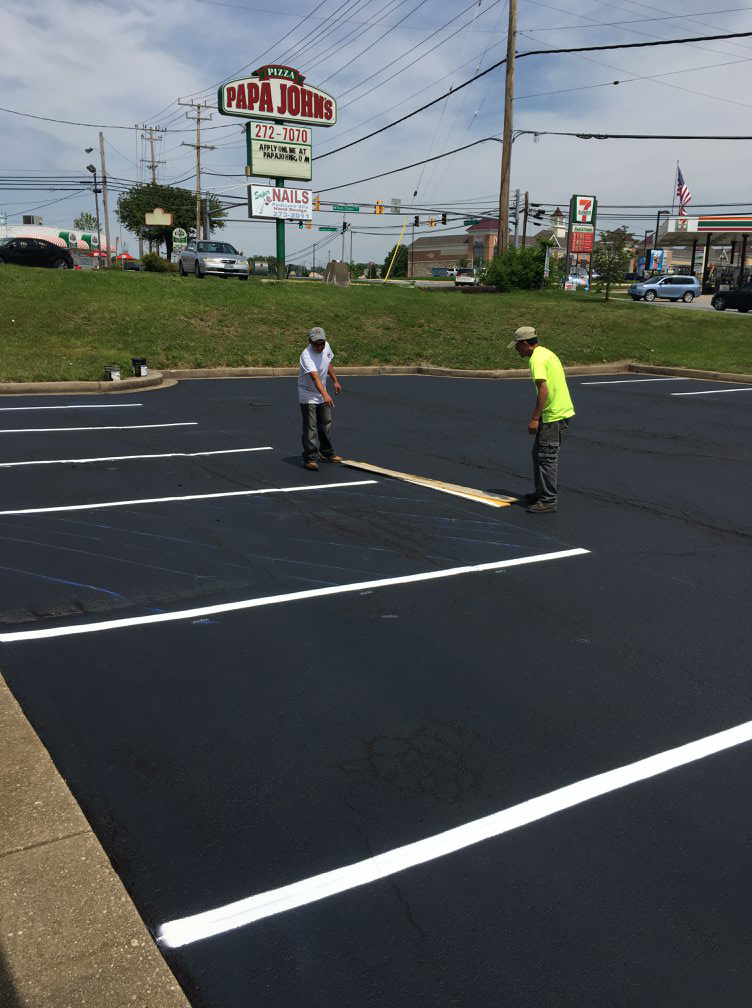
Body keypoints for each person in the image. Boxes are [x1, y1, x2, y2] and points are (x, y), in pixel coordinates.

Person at [508, 325, 575, 514]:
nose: (516, 350)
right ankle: (541, 492)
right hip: (558, 411)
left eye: (517, 346)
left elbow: (543, 391)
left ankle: (548, 500)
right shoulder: (546, 353)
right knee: (537, 453)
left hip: (553, 414)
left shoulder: (536, 360)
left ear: (524, 344)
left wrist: (535, 418)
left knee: (546, 457)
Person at [298, 326, 342, 471]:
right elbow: (315, 377)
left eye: (322, 343)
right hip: (308, 394)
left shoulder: (326, 346)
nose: (320, 347)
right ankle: (309, 458)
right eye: (316, 344)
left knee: (325, 424)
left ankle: (327, 453)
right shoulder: (306, 355)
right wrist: (325, 395)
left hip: (321, 392)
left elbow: (328, 363)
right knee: (311, 428)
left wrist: (335, 381)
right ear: (309, 341)